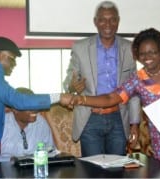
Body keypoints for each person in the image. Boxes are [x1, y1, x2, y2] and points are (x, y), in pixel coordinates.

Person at [70, 27, 160, 169]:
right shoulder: (137, 79)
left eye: (152, 52)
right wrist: (82, 100)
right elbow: (111, 98)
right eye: (142, 54)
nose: (147, 57)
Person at [63, 1, 141, 157]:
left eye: (112, 19)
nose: (108, 24)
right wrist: (72, 86)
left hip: (119, 117)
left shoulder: (129, 48)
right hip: (90, 117)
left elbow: (133, 89)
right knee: (93, 170)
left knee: (117, 169)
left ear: (118, 21)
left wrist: (134, 123)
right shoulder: (80, 47)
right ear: (95, 22)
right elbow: (69, 81)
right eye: (102, 19)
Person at [0, 87, 57, 162]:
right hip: (6, 169)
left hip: (35, 168)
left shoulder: (41, 123)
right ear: (15, 109)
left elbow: (51, 152)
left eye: (35, 104)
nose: (34, 109)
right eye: (28, 106)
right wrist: (11, 160)